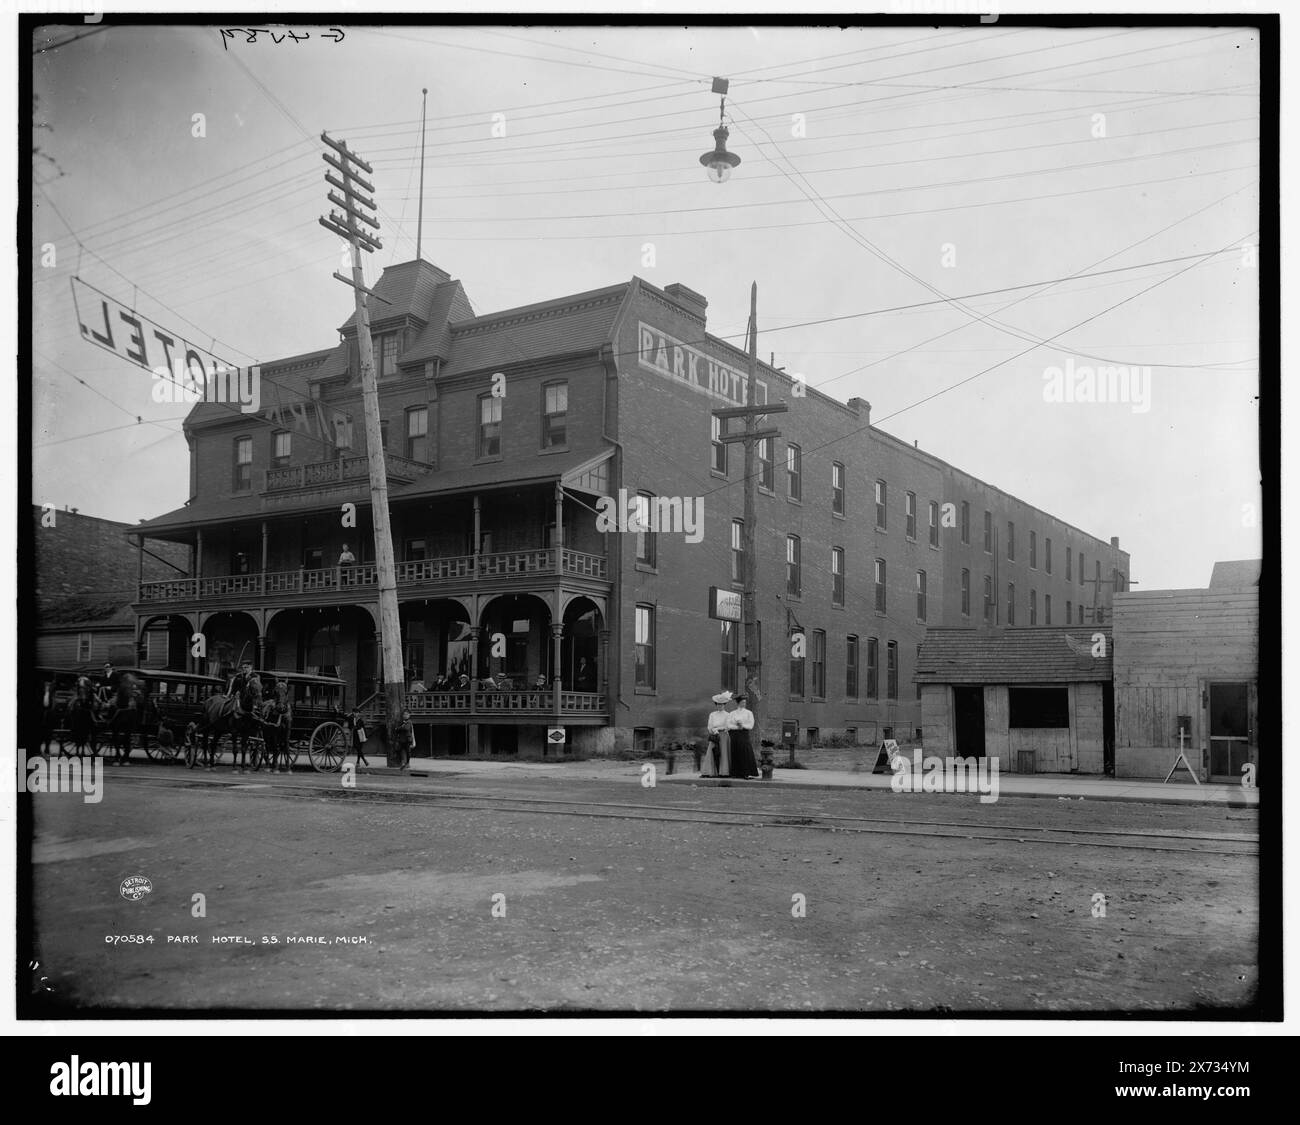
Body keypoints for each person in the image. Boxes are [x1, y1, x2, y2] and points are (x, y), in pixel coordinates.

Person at [728, 693, 759, 778]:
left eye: (745, 702)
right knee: (735, 751)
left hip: (744, 734)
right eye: (742, 702)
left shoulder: (749, 713)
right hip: (734, 735)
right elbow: (728, 725)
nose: (744, 704)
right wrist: (737, 727)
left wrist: (743, 726)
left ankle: (746, 772)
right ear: (738, 703)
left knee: (745, 752)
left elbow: (751, 725)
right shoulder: (732, 713)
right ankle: (735, 773)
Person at [704, 691, 733, 777]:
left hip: (724, 736)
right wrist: (713, 730)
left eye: (722, 704)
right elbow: (710, 726)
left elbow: (728, 726)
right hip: (715, 736)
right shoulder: (712, 714)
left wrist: (719, 729)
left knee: (723, 753)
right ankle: (710, 772)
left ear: (724, 705)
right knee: (712, 752)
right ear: (716, 705)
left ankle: (724, 772)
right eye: (718, 704)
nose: (720, 706)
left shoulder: (728, 715)